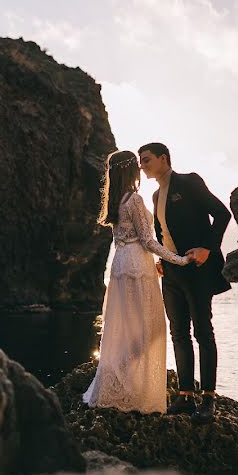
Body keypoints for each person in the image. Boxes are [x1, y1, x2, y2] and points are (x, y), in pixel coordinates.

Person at [83, 150, 191, 413]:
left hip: (120, 266)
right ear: (130, 170)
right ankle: (134, 391)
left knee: (125, 327)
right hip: (137, 267)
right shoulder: (133, 199)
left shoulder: (115, 201)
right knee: (148, 330)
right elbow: (147, 240)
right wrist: (178, 259)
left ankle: (120, 384)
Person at [138, 142, 231, 424]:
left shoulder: (189, 182)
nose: (142, 165)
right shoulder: (154, 196)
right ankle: (185, 395)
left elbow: (222, 214)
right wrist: (162, 259)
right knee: (179, 332)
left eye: (147, 160)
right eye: (141, 161)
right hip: (171, 271)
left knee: (203, 331)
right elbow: (161, 232)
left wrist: (207, 248)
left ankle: (209, 399)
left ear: (163, 159)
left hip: (198, 268)